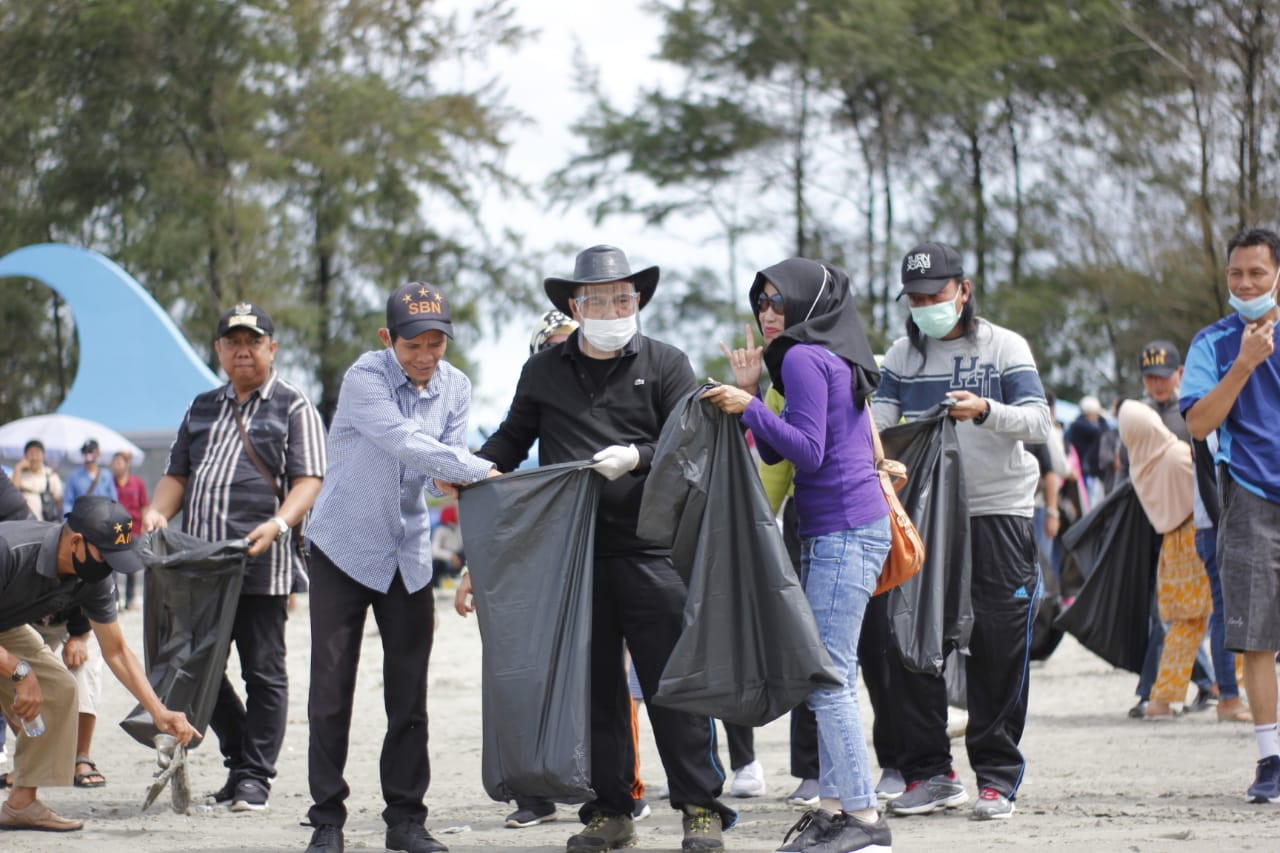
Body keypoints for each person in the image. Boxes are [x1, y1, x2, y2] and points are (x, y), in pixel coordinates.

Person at [466, 244, 734, 853]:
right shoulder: (544, 371)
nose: (614, 306)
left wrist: (638, 456)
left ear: (637, 299)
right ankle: (610, 810)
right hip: (571, 557)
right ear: (573, 305)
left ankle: (700, 807)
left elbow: (692, 443)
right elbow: (511, 439)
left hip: (652, 549)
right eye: (599, 298)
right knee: (594, 692)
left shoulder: (667, 362)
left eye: (624, 296)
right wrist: (466, 468)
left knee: (672, 683)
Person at [703, 257, 892, 853]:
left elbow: (806, 454)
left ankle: (863, 820)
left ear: (810, 305)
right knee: (833, 672)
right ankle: (835, 810)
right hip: (843, 530)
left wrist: (748, 405)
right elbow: (785, 453)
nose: (767, 313)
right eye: (761, 302)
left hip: (842, 531)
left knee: (827, 680)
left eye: (779, 302)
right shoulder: (829, 357)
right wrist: (756, 397)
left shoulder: (807, 359)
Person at [301, 281, 497, 853]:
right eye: (414, 344)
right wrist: (475, 467)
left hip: (409, 555)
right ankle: (326, 821)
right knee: (331, 689)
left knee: (409, 692)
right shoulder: (364, 378)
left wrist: (459, 477)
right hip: (342, 546)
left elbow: (441, 475)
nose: (426, 356)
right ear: (389, 339)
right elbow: (404, 440)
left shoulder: (455, 386)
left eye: (436, 342)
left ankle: (406, 820)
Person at [874, 241, 1051, 821]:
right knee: (914, 639)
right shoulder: (902, 354)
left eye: (936, 295)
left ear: (964, 290)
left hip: (998, 511)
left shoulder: (1004, 346)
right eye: (916, 298)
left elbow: (1040, 420)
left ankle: (997, 778)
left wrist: (985, 411)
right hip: (924, 517)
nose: (927, 306)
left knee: (999, 645)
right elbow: (876, 421)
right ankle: (931, 772)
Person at [142, 302, 326, 813]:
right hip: (199, 566)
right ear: (220, 349)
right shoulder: (201, 406)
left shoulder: (293, 406)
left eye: (253, 340)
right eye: (232, 341)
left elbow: (310, 479)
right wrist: (158, 513)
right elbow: (176, 474)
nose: (242, 350)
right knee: (198, 669)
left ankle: (254, 777)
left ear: (272, 347)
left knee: (263, 670)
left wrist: (280, 523)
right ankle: (241, 758)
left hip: (261, 560)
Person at [0, 496, 200, 831]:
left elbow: (117, 651)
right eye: (106, 556)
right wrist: (19, 671)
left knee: (60, 689)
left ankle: (21, 803)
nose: (110, 567)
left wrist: (158, 711)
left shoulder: (91, 576)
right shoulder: (12, 549)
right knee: (28, 675)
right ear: (76, 541)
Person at [1182, 226, 1280, 804]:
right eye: (1236, 274)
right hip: (1248, 498)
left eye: (1258, 273)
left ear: (1277, 277)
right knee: (1258, 639)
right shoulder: (1212, 342)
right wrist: (1243, 365)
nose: (1246, 284)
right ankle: (1271, 759)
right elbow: (1198, 425)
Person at [1128, 341, 1216, 719]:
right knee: (1177, 611)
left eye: (1163, 377)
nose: (1157, 384)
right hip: (1158, 520)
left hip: (1193, 518)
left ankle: (1165, 690)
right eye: (1150, 378)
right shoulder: (1143, 416)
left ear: (1179, 374)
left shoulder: (1191, 412)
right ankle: (1208, 686)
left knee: (1178, 612)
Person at [110, 451, 149, 609]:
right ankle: (115, 599)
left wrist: (146, 526)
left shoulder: (137, 483)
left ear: (127, 464)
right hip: (114, 528)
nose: (117, 466)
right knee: (113, 565)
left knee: (132, 565)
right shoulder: (109, 482)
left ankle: (131, 598)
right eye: (115, 463)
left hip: (134, 528)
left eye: (120, 462)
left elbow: (144, 505)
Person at [11, 441, 62, 521]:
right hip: (23, 522)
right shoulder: (19, 474)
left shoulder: (50, 475)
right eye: (31, 454)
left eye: (37, 454)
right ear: (25, 455)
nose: (34, 458)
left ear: (43, 455)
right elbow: (11, 494)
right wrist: (18, 468)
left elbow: (58, 500)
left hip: (46, 524)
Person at [61, 439, 116, 513]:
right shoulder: (74, 476)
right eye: (84, 452)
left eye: (90, 452)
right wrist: (69, 520)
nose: (87, 455)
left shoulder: (106, 475)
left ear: (98, 453)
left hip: (103, 519)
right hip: (81, 520)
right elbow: (67, 502)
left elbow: (113, 500)